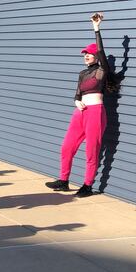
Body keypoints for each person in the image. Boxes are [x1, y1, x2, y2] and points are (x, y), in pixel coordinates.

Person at [46, 12, 115, 197]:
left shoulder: (102, 70)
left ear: (96, 57)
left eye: (89, 53)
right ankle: (63, 180)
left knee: (92, 150)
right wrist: (77, 102)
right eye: (85, 53)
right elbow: (77, 93)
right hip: (80, 112)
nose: (86, 56)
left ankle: (87, 185)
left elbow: (101, 50)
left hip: (96, 113)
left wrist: (96, 28)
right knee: (67, 146)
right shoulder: (82, 73)